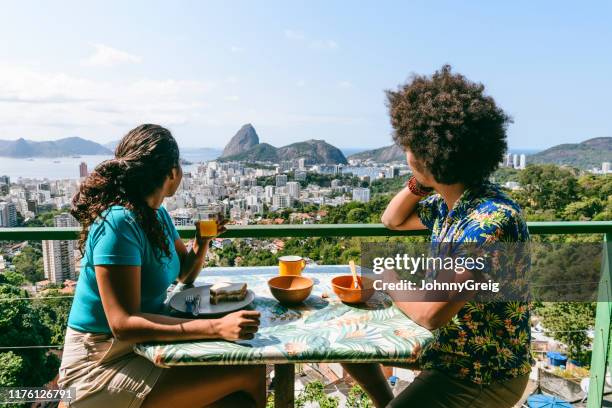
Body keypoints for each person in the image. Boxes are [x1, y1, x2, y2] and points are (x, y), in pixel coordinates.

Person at [342, 66, 531, 408]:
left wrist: (389, 280)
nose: (405, 152)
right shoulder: (454, 203)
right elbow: (392, 220)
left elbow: (432, 314)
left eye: (411, 146)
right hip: (449, 351)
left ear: (428, 154)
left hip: (480, 373)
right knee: (350, 348)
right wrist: (421, 181)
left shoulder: (488, 223)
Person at [58, 124, 266, 408]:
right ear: (172, 173)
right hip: (101, 360)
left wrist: (202, 241)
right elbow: (123, 325)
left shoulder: (157, 215)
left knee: (235, 387)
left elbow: (184, 272)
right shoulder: (119, 223)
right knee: (249, 370)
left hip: (143, 346)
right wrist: (216, 327)